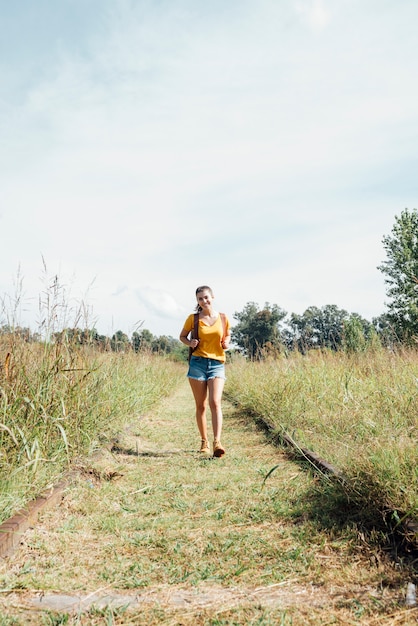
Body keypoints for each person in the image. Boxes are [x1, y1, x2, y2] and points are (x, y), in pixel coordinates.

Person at [179, 285, 231, 458]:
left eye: (206, 297)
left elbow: (227, 334)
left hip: (217, 363)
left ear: (213, 297)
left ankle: (217, 442)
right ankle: (204, 441)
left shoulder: (223, 318)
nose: (204, 301)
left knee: (215, 402)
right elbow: (182, 336)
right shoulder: (193, 319)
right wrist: (190, 343)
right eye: (200, 299)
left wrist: (226, 342)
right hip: (198, 363)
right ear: (197, 301)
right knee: (201, 405)